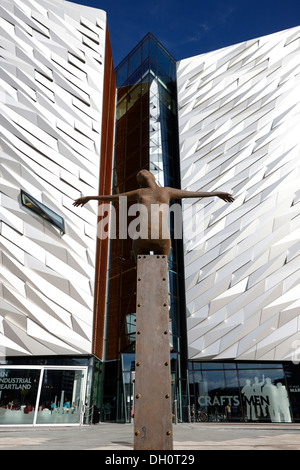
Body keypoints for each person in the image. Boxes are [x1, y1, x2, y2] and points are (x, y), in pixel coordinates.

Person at [73, 169, 234, 258]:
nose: (143, 172)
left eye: (144, 172)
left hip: (152, 236)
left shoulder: (156, 191)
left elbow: (192, 193)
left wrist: (215, 193)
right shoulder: (159, 191)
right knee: (151, 266)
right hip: (152, 235)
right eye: (141, 174)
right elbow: (113, 198)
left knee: (154, 266)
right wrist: (90, 197)